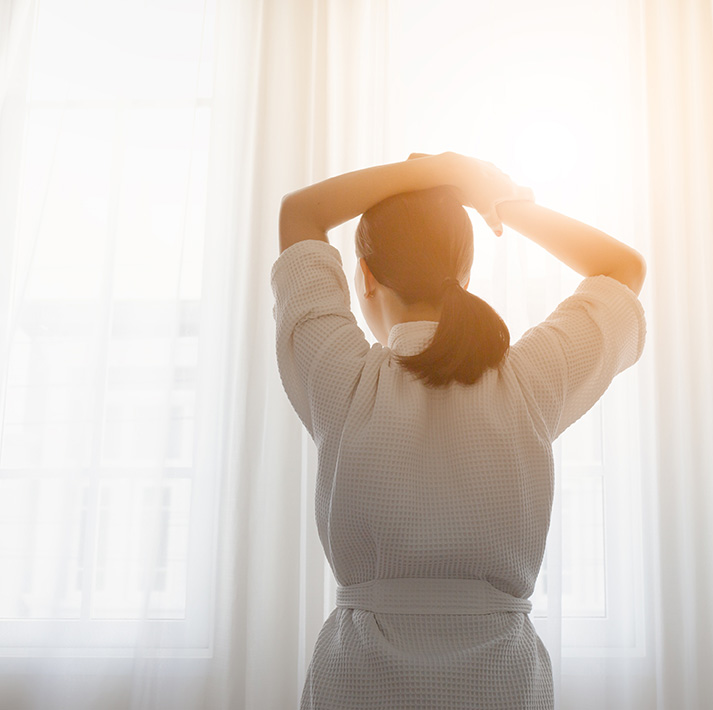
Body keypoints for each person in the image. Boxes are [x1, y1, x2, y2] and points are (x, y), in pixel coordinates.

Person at [271, 151, 646, 709]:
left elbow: (300, 214)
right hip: (502, 686)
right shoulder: (527, 382)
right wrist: (500, 204)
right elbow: (622, 271)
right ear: (465, 275)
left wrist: (438, 170)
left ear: (365, 278)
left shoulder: (340, 380)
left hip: (358, 683)